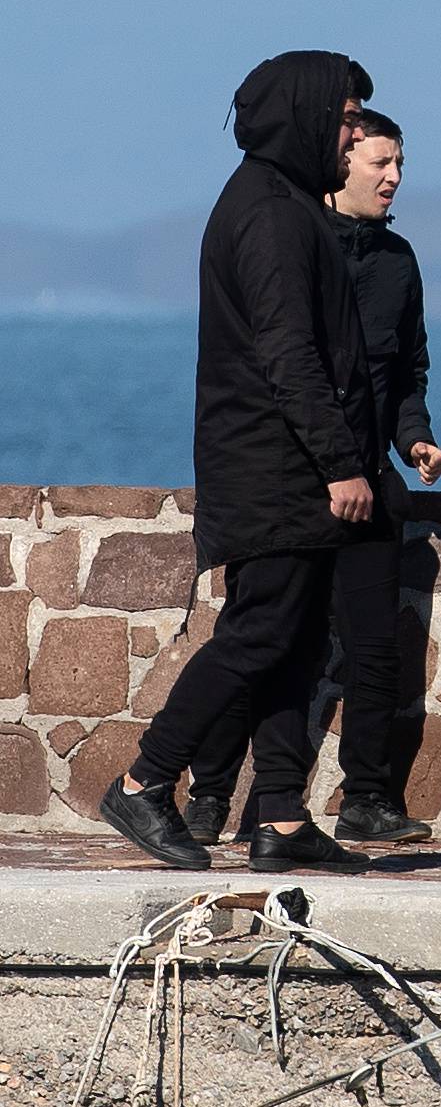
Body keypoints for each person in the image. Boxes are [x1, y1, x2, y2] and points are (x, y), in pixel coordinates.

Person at [98, 51, 386, 875]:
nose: (355, 130)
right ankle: (146, 779)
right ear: (304, 116)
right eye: (345, 116)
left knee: (293, 642)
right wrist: (340, 462)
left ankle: (283, 817)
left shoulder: (287, 203)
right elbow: (286, 352)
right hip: (273, 467)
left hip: (282, 466)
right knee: (260, 633)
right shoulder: (267, 211)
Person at [180, 108, 441, 848]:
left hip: (368, 480)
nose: (394, 178)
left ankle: (366, 797)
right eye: (380, 163)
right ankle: (208, 792)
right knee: (262, 635)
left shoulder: (399, 263)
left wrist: (414, 438)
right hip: (292, 486)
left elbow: (407, 372)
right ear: (341, 163)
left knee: (373, 646)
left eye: (401, 165)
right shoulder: (293, 239)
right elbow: (281, 365)